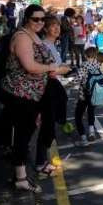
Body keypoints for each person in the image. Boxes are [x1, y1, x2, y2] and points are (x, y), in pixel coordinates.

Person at [0, 4, 69, 192]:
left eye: (42, 19)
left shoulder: (33, 36)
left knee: (28, 130)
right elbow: (30, 66)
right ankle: (20, 179)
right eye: (35, 19)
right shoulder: (22, 37)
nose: (40, 22)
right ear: (26, 19)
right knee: (23, 133)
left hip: (33, 92)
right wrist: (54, 69)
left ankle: (24, 173)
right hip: (21, 92)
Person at [36, 16, 68, 176]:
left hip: (51, 89)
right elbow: (52, 71)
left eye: (58, 26)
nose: (57, 28)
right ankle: (41, 163)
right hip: (47, 90)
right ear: (46, 29)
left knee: (47, 126)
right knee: (46, 127)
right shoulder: (46, 45)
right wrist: (65, 69)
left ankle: (43, 161)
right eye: (53, 26)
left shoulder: (51, 45)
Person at [74, 47, 103, 147]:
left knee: (78, 116)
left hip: (84, 94)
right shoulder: (98, 65)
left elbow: (77, 79)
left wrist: (68, 84)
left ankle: (83, 138)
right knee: (91, 112)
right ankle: (91, 132)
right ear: (95, 55)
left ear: (85, 55)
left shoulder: (84, 65)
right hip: (95, 93)